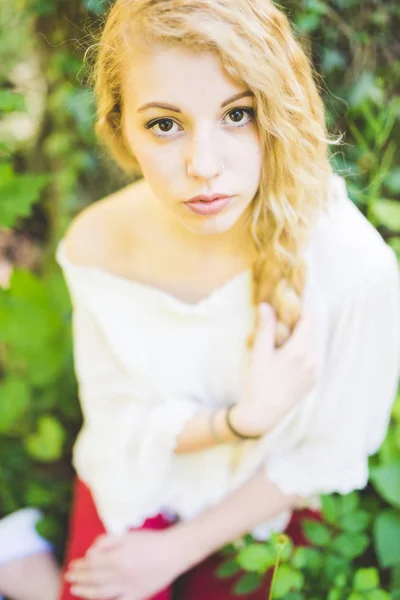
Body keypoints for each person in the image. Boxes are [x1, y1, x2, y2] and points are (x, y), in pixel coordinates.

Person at [56, 0, 400, 598]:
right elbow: (117, 422)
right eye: (165, 124)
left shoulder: (353, 268)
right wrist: (242, 422)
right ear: (120, 127)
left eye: (237, 114)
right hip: (141, 475)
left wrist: (173, 552)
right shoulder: (98, 243)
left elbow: (332, 451)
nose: (204, 166)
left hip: (263, 504)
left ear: (280, 109)